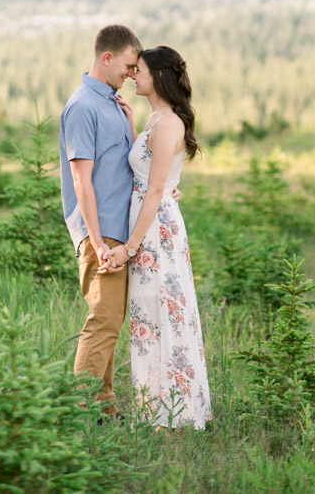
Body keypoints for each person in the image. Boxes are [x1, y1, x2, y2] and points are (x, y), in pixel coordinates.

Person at [103, 46, 212, 429]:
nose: (134, 74)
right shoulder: (156, 118)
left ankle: (172, 416)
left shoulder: (167, 124)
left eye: (141, 70)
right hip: (150, 220)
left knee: (162, 313)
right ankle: (156, 411)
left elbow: (154, 190)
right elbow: (151, 174)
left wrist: (130, 247)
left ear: (160, 76)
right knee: (147, 318)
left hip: (154, 231)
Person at [59, 23, 142, 418]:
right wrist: (96, 241)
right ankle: (80, 413)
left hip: (117, 231)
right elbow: (81, 180)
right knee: (103, 320)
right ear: (106, 57)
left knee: (109, 321)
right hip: (101, 232)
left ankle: (103, 409)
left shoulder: (112, 103)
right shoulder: (82, 107)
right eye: (127, 65)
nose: (131, 73)